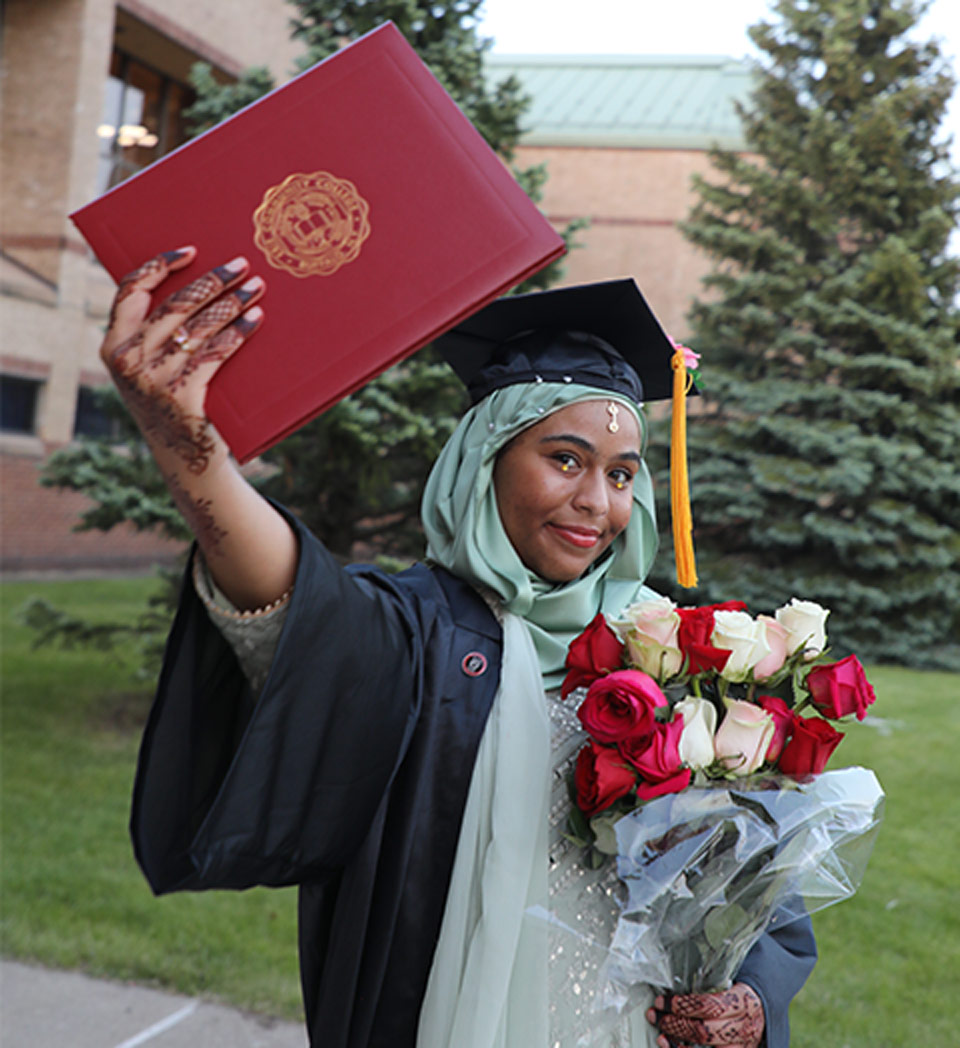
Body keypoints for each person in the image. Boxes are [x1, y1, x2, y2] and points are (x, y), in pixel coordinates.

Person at [103, 247, 817, 1048]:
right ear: (485, 461)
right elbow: (288, 592)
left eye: (622, 474)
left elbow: (760, 893)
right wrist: (186, 446)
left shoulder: (677, 656)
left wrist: (748, 999)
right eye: (565, 459)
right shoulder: (418, 634)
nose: (595, 502)